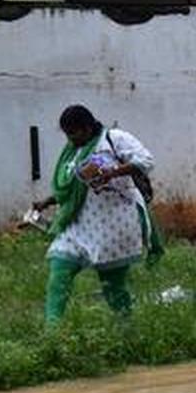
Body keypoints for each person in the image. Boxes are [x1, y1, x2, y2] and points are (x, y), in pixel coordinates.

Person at [32, 105, 162, 324]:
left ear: (87, 127)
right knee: (59, 270)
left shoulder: (114, 139)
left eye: (74, 133)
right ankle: (52, 333)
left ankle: (127, 328)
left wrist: (113, 172)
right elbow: (74, 187)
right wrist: (47, 201)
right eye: (67, 134)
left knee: (113, 286)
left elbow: (146, 161)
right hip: (79, 223)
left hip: (113, 224)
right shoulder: (73, 151)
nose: (71, 139)